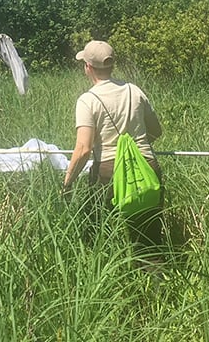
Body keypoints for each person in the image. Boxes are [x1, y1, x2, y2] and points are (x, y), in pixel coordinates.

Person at [63, 40, 165, 255]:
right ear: (111, 66)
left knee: (98, 234)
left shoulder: (87, 100)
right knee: (149, 239)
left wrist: (67, 182)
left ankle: (108, 277)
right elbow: (156, 131)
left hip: (108, 175)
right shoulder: (134, 91)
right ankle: (158, 284)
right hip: (148, 168)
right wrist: (134, 152)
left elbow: (84, 149)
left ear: (88, 67)